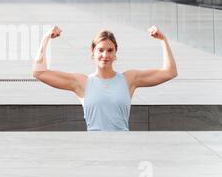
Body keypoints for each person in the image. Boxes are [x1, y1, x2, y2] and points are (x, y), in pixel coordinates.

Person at [32, 25, 178, 131]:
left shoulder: (129, 79)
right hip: (94, 151)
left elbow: (169, 72)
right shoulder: (81, 82)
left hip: (124, 148)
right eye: (100, 50)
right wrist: (45, 39)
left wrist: (163, 40)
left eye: (110, 50)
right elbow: (39, 73)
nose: (105, 55)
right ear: (93, 51)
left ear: (115, 52)